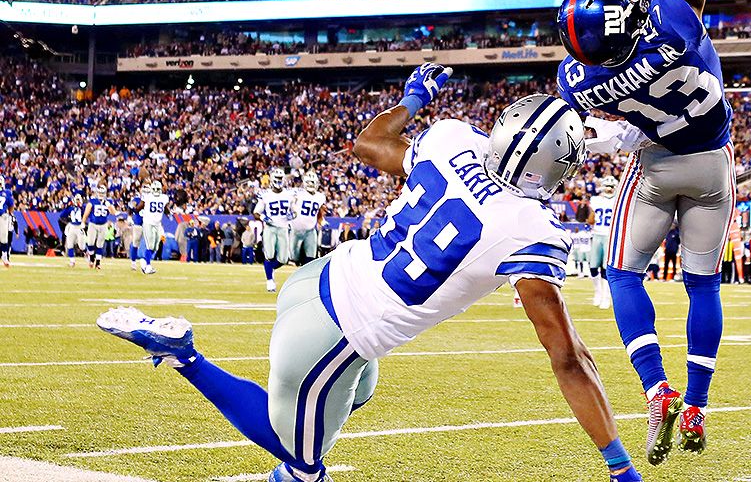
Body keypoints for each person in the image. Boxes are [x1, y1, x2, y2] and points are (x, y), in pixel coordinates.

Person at [96, 65, 644, 482]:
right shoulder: (531, 227)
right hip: (334, 334)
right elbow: (568, 357)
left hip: (318, 278)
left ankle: (299, 428)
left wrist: (410, 101)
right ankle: (184, 354)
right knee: (301, 463)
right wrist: (620, 465)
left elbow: (369, 145)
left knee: (352, 395)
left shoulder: (454, 139)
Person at [554, 0, 731, 465]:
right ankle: (698, 402)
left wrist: (610, 133)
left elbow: (577, 123)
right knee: (702, 286)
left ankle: (656, 387)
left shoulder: (581, 78)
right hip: (710, 162)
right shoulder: (673, 23)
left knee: (623, 273)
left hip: (653, 164)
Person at [256, 168, 296, 292]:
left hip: (283, 228)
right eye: (277, 179)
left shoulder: (289, 194)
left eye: (280, 179)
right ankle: (269, 281)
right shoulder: (266, 195)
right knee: (269, 255)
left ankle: (270, 269)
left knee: (283, 259)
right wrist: (263, 217)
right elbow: (256, 212)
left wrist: (292, 215)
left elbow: (294, 211)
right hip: (270, 228)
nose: (279, 181)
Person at [587, 177, 616, 308]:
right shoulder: (595, 200)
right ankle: (598, 293)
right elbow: (590, 220)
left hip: (610, 236)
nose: (609, 189)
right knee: (593, 267)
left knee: (605, 268)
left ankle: (606, 297)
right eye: (607, 186)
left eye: (611, 186)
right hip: (597, 234)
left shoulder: (617, 200)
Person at [291, 170, 327, 266]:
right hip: (296, 229)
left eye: (313, 183)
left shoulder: (320, 197)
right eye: (309, 183)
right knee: (293, 257)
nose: (311, 185)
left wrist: (320, 220)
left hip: (310, 230)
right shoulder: (298, 193)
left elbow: (319, 211)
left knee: (310, 256)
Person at [137, 180, 171, 275]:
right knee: (150, 245)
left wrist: (169, 214)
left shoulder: (164, 198)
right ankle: (148, 266)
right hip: (148, 223)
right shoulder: (147, 197)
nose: (156, 190)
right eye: (155, 189)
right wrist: (134, 209)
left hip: (158, 224)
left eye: (157, 189)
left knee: (156, 247)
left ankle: (144, 260)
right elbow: (140, 206)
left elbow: (165, 208)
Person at [82, 183, 114, 270]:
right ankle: (92, 258)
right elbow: (86, 212)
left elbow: (113, 212)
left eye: (102, 193)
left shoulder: (108, 202)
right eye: (100, 193)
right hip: (93, 224)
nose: (101, 195)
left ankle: (98, 263)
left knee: (100, 245)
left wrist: (108, 205)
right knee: (90, 243)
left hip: (103, 225)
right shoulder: (92, 201)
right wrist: (83, 222)